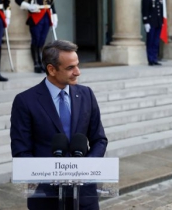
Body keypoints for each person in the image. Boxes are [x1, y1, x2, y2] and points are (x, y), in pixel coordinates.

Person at [10, 40, 108, 210]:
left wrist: (85, 169)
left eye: (77, 65)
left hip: (84, 196)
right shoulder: (25, 101)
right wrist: (49, 175)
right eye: (70, 68)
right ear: (51, 69)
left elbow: (99, 139)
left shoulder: (87, 94)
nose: (78, 72)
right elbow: (21, 150)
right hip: (46, 197)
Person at [15, 0, 58, 73]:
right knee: (36, 40)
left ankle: (42, 62)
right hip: (36, 16)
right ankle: (36, 63)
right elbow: (18, 0)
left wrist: (54, 15)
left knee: (42, 41)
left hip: (46, 16)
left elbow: (51, 4)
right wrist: (29, 6)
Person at [142, 0, 163, 66]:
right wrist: (146, 22)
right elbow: (145, 10)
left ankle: (155, 58)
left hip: (158, 22)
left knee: (156, 42)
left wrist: (161, 21)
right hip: (151, 23)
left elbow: (161, 10)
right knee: (150, 41)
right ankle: (150, 59)